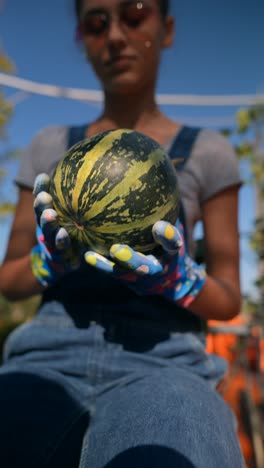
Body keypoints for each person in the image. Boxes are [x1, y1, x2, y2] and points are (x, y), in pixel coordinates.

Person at [0, 0, 244, 467]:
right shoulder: (49, 145)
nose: (115, 35)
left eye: (134, 14)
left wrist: (180, 280)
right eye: (96, 22)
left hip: (168, 361)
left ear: (166, 28)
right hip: (48, 352)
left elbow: (229, 297)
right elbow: (8, 280)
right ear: (82, 39)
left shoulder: (210, 152)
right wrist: (44, 261)